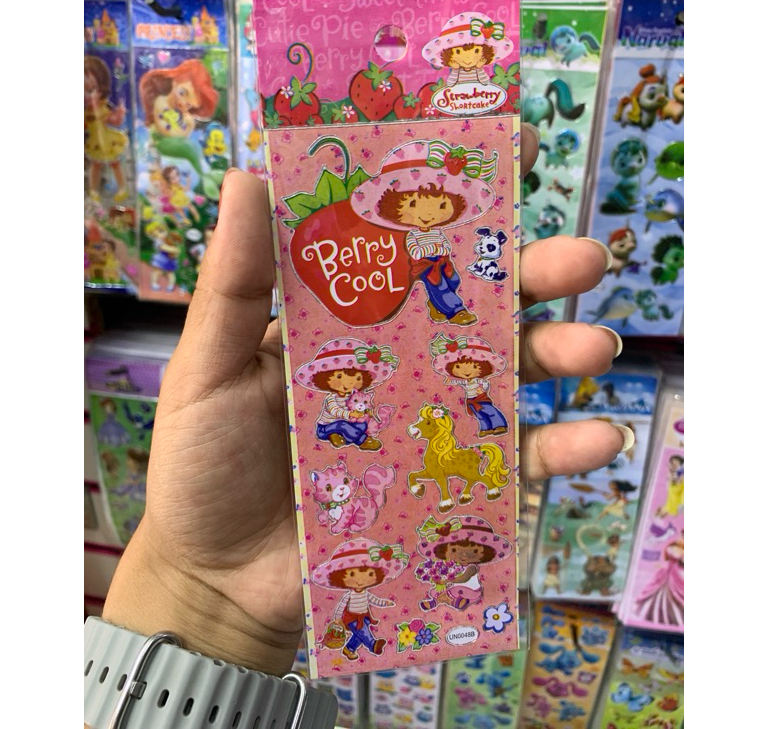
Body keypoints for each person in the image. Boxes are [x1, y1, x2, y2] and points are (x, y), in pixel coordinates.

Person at [99, 125, 633, 678]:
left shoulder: (434, 252)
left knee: (456, 344)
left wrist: (196, 592)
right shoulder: (383, 256)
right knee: (380, 405)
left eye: (438, 205)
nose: (426, 214)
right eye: (414, 206)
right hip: (368, 392)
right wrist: (195, 584)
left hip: (437, 323)